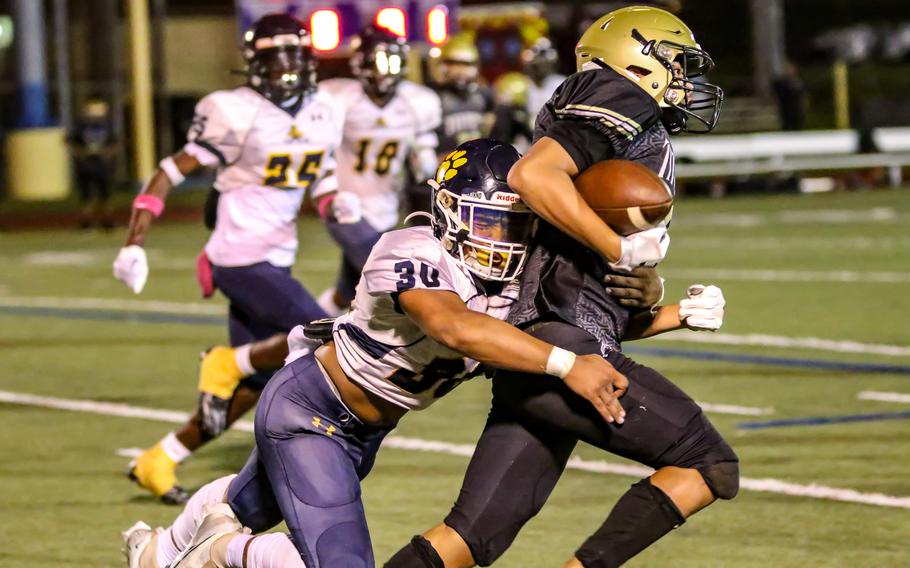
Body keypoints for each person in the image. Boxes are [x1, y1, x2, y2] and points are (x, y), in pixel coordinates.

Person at [121, 139, 634, 568]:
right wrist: (566, 365)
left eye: (518, 226)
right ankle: (218, 555)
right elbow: (453, 327)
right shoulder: (411, 249)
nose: (507, 240)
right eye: (493, 222)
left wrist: (669, 310)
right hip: (311, 411)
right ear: (451, 212)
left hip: (364, 430)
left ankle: (157, 551)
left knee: (243, 506)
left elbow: (569, 324)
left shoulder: (511, 280)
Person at [384, 7, 736, 568]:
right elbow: (533, 175)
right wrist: (618, 248)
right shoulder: (617, 91)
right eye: (675, 64)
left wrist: (658, 303)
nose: (685, 81)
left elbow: (577, 262)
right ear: (636, 60)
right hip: (567, 344)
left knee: (470, 539)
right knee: (706, 463)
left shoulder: (631, 121)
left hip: (547, 343)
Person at [113, 13, 345, 504]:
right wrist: (135, 240)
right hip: (239, 256)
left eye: (293, 55)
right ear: (254, 64)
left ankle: (161, 458)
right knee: (328, 333)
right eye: (273, 57)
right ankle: (225, 362)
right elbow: (168, 171)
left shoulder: (325, 109)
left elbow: (320, 176)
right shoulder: (232, 110)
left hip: (273, 257)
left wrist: (335, 204)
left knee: (253, 386)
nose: (285, 67)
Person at [314, 24, 441, 316]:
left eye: (392, 61)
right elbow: (320, 149)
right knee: (392, 278)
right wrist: (327, 192)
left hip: (386, 207)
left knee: (345, 293)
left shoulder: (417, 101)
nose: (385, 70)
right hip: (345, 203)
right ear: (360, 64)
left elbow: (424, 160)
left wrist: (424, 163)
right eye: (377, 62)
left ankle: (301, 330)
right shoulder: (337, 98)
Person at [405, 34, 494, 216]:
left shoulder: (484, 97)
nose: (461, 71)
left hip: (473, 182)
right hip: (436, 181)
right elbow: (418, 151)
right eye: (454, 64)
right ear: (442, 66)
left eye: (466, 65)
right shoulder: (429, 98)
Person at [68, 96, 118, 229]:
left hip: (101, 164)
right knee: (87, 195)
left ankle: (106, 220)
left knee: (104, 195)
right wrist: (81, 153)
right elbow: (70, 142)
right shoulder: (80, 127)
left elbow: (115, 143)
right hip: (87, 165)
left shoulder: (107, 126)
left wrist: (107, 153)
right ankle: (87, 220)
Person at [522, 37, 566, 121]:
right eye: (534, 65)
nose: (537, 69)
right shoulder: (522, 84)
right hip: (528, 129)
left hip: (553, 129)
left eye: (540, 65)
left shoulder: (561, 83)